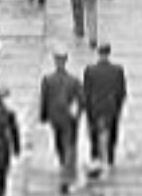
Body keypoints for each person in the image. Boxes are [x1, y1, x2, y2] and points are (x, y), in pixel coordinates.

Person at [39, 50, 84, 194]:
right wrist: (77, 114)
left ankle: (64, 168)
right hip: (68, 118)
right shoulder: (74, 80)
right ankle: (66, 168)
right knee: (68, 144)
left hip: (55, 118)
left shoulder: (47, 80)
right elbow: (82, 100)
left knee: (59, 143)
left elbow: (44, 100)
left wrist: (43, 116)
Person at [80, 43, 127, 171]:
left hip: (95, 108)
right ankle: (110, 159)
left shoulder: (89, 70)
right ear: (109, 53)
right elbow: (122, 92)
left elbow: (86, 93)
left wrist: (86, 109)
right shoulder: (118, 70)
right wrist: (118, 107)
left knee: (94, 136)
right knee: (112, 134)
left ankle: (95, 159)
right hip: (111, 108)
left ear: (98, 54)